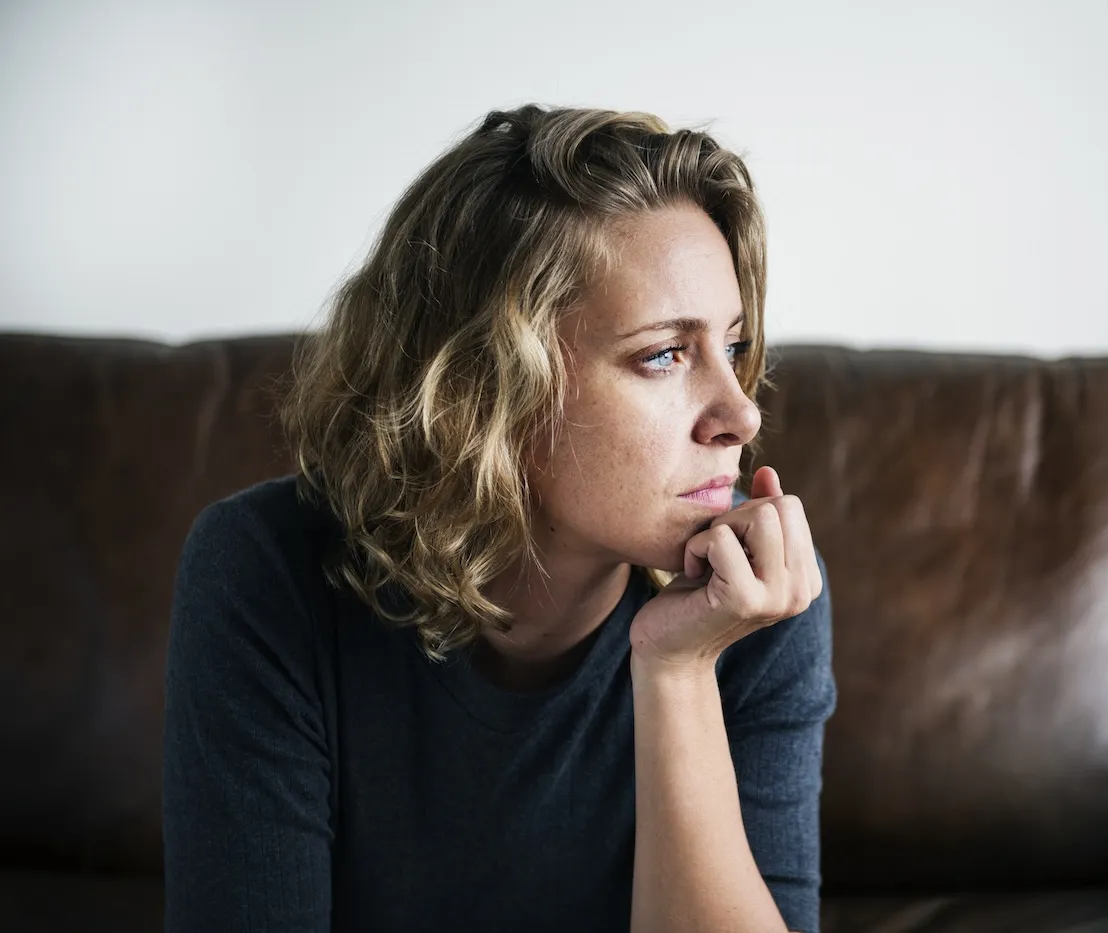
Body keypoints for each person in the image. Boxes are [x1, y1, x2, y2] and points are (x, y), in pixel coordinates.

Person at [162, 104, 836, 933]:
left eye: (731, 347)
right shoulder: (265, 571)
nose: (741, 413)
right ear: (484, 389)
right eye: (664, 354)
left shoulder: (756, 597)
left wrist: (678, 672)